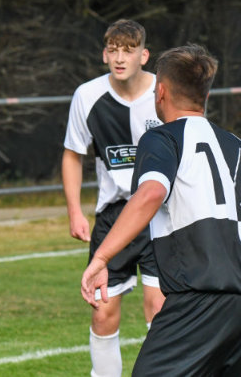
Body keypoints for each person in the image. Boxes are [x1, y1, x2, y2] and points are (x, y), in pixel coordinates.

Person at [82, 43, 241, 375]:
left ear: (161, 91)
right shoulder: (234, 145)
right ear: (205, 95)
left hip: (197, 299)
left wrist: (101, 257)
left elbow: (151, 193)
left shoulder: (162, 138)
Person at [61, 20, 165, 376]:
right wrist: (75, 211)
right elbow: (72, 154)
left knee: (159, 309)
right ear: (104, 55)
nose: (120, 58)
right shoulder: (87, 96)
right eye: (113, 50)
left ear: (144, 56)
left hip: (160, 214)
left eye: (128, 50)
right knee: (103, 311)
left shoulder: (164, 92)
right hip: (113, 218)